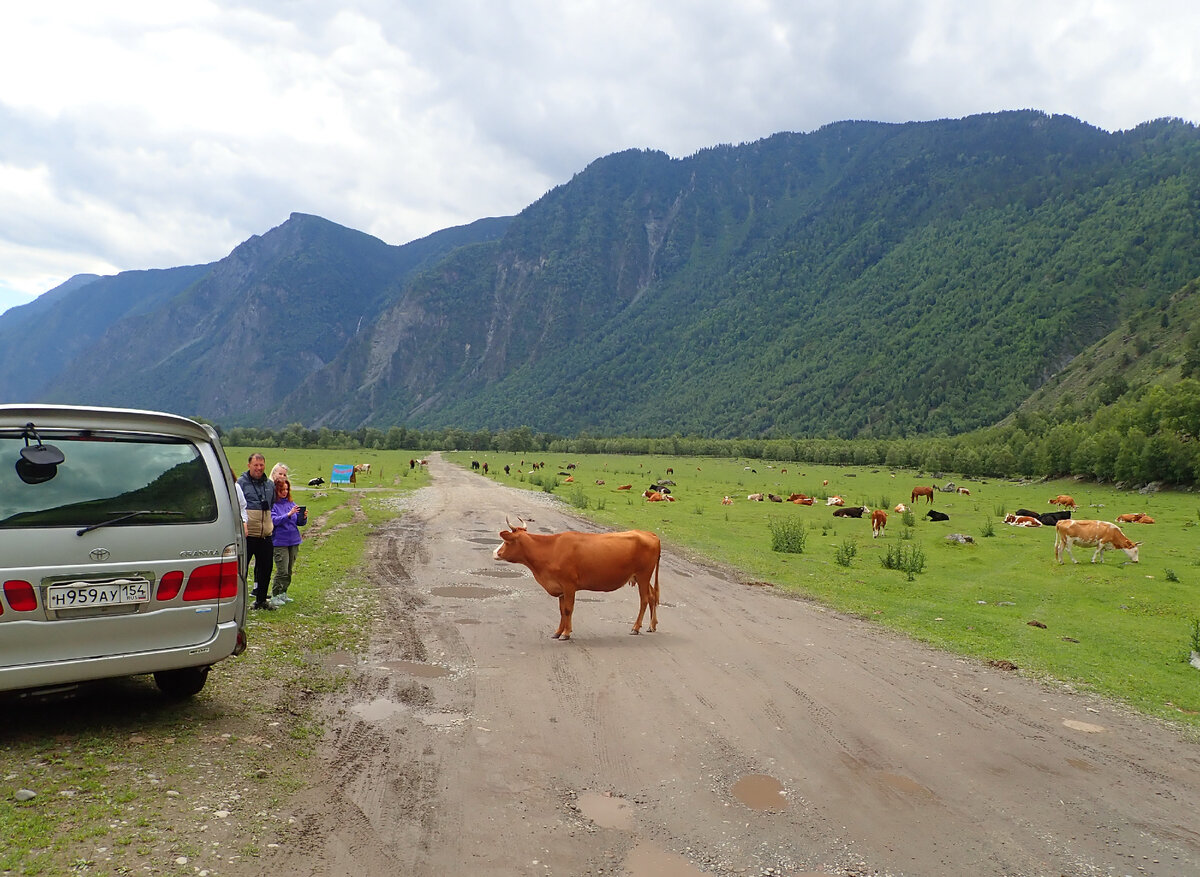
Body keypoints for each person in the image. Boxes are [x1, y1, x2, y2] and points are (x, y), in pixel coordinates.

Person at [237, 453, 276, 610]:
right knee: (242, 570)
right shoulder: (241, 484)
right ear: (249, 465)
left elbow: (271, 504)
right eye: (256, 465)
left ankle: (261, 600)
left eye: (261, 465)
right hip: (248, 535)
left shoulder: (269, 484)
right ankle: (238, 603)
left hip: (265, 534)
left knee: (265, 568)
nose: (259, 468)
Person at [269, 477, 304, 606]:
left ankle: (284, 592)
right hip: (280, 542)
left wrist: (303, 517)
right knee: (282, 570)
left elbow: (298, 522)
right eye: (282, 490)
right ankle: (275, 594)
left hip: (294, 540)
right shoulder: (273, 505)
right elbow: (274, 521)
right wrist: (288, 514)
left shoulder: (291, 503)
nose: (284, 492)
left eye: (286, 489)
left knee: (289, 570)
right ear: (276, 490)